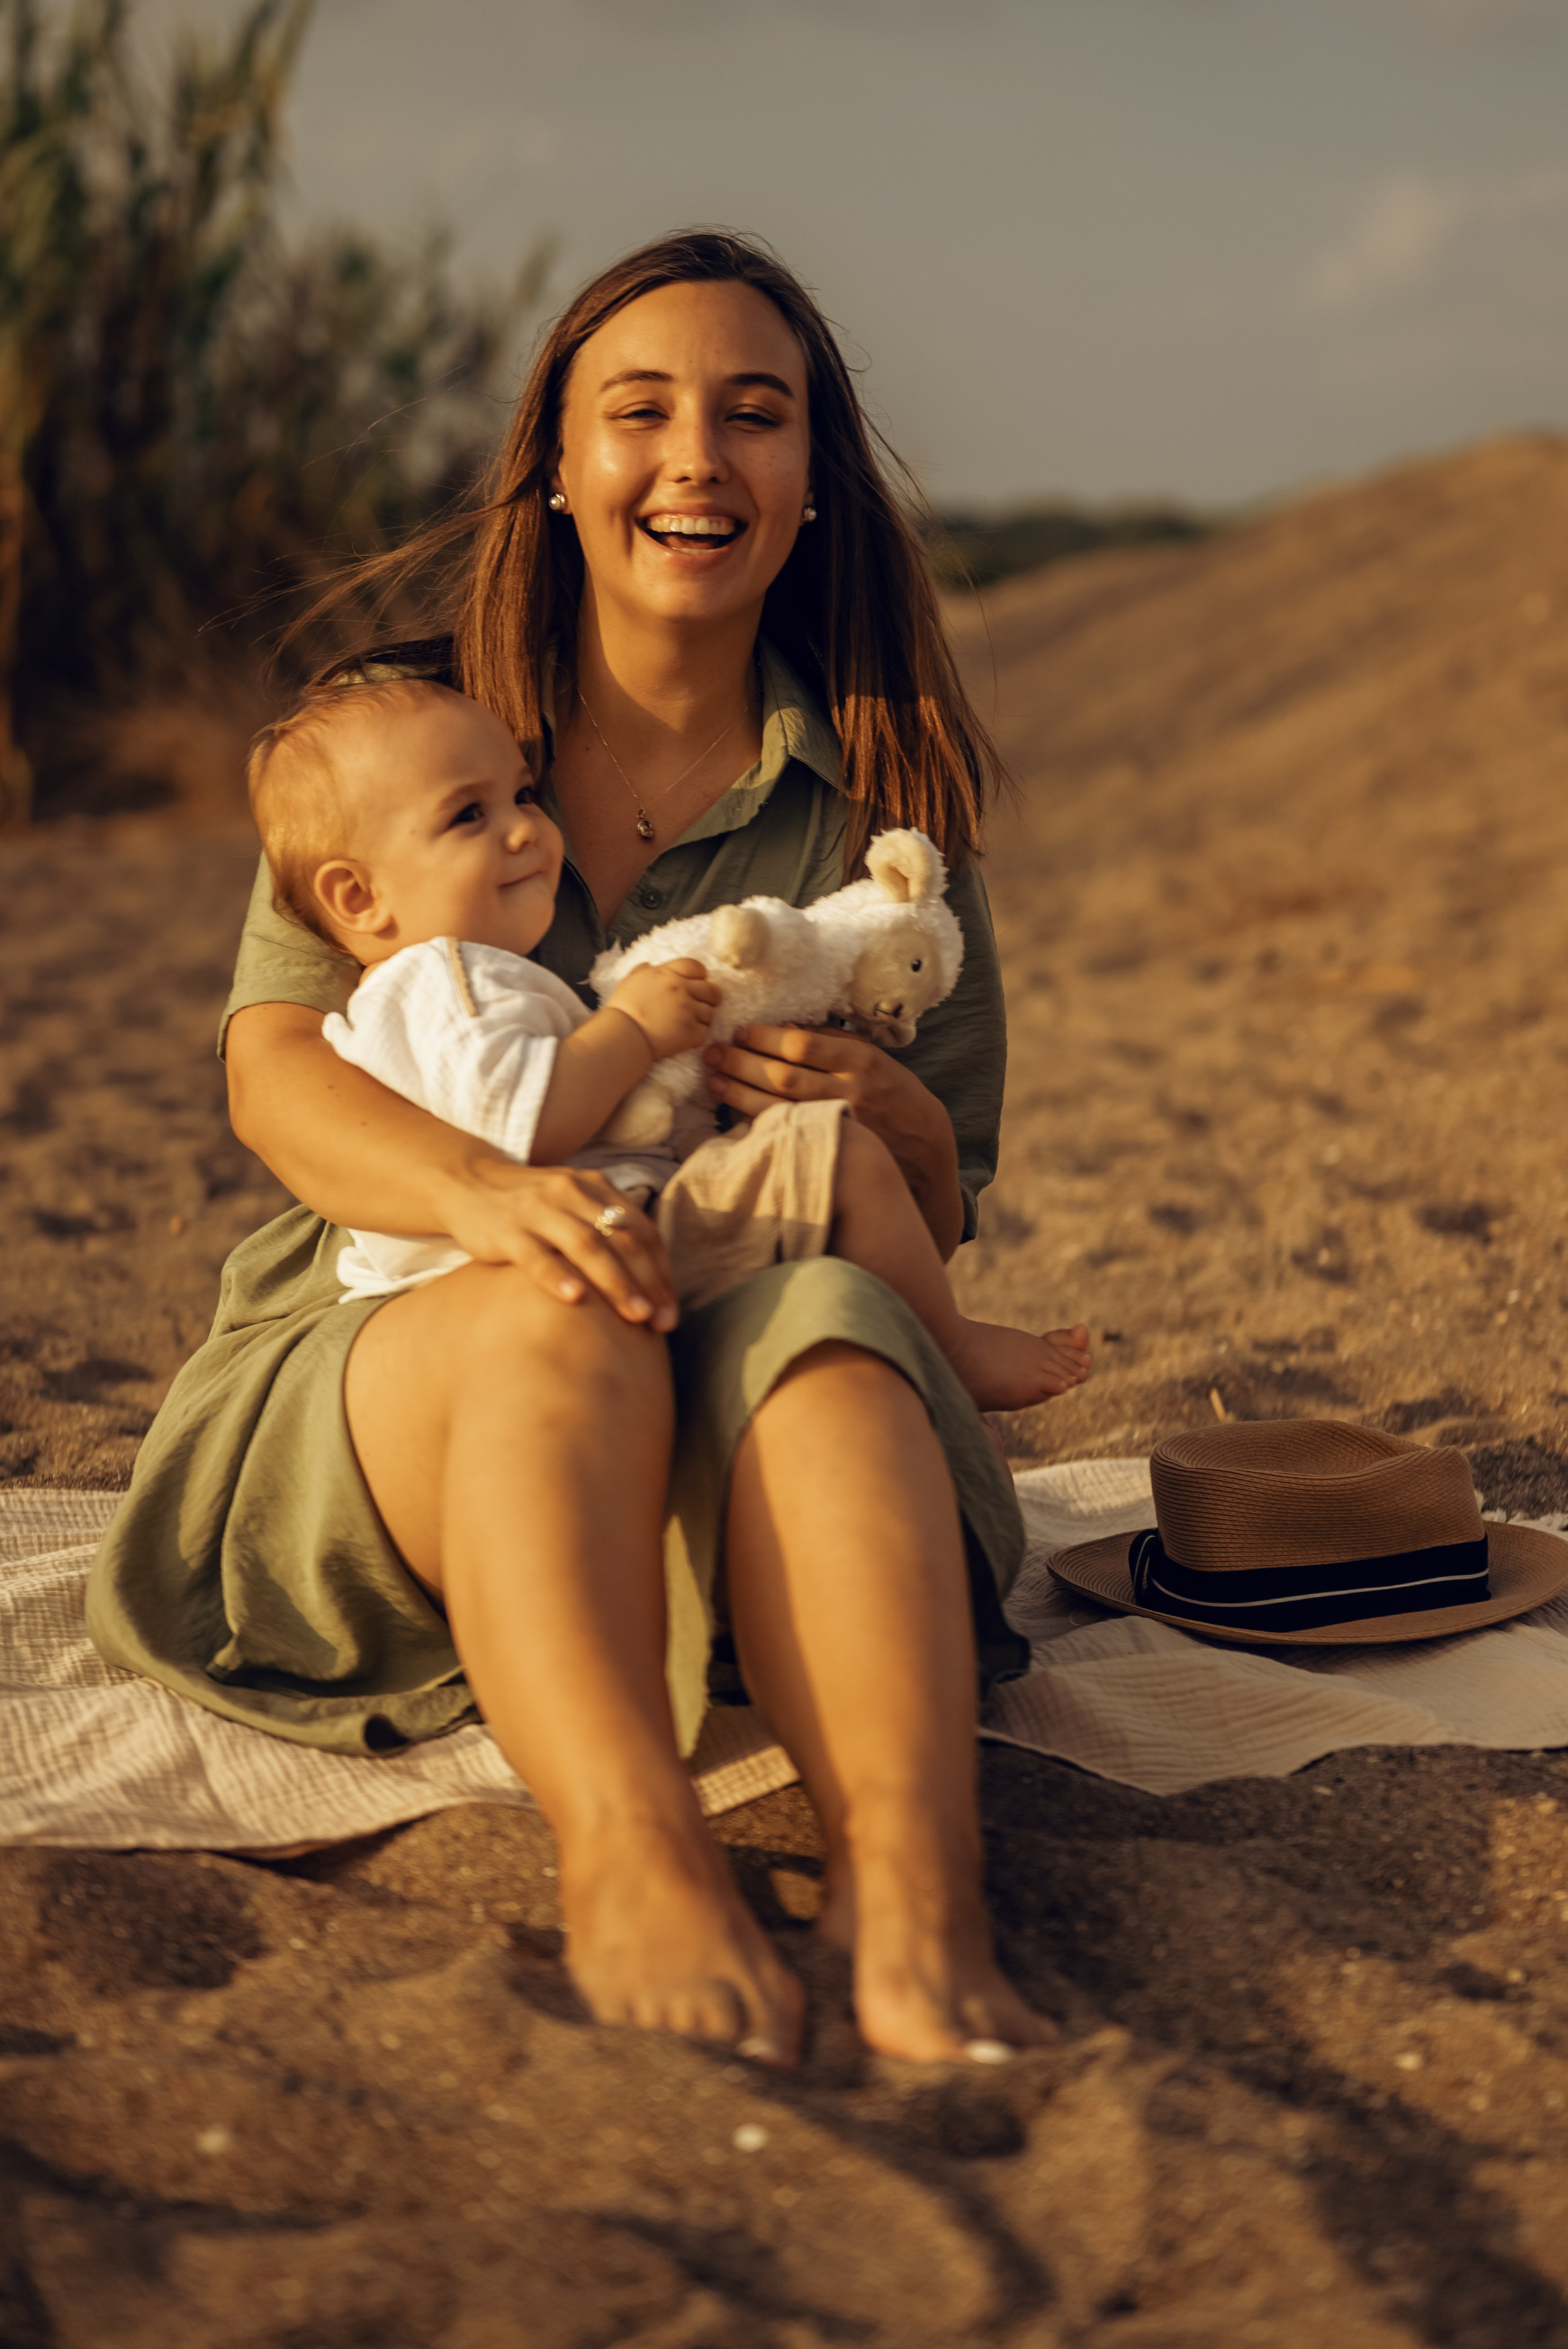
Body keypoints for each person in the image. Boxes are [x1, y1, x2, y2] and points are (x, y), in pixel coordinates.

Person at [88, 228, 1084, 2066]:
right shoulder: (412, 742)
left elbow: (943, 1201)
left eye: (755, 415)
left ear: (809, 487)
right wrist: (495, 1192)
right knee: (555, 1304)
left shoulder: (888, 822)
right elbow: (279, 1079)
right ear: (559, 469)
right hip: (424, 1341)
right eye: (643, 411)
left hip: (750, 1281)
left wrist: (900, 1112)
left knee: (839, 1348)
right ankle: (633, 1849)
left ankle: (914, 1889)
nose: (697, 454)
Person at [247, 673, 1095, 1409]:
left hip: (617, 1247)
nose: (522, 830)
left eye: (524, 796)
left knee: (834, 1159)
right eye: (469, 815)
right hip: (522, 1284)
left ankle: (927, 1344)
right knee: (831, 1160)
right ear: (357, 901)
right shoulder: (442, 982)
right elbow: (520, 1118)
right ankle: (944, 1347)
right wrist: (632, 1031)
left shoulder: (489, 979)